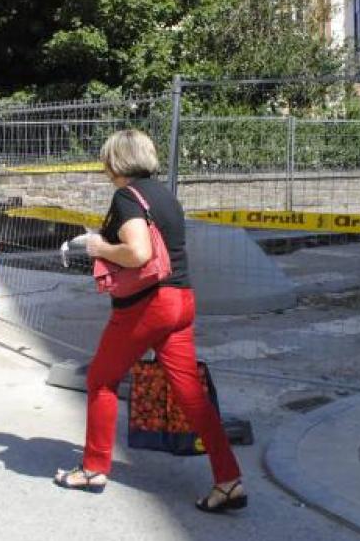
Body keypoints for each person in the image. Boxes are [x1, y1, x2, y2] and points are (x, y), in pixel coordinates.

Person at [53, 129, 245, 513]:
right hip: (181, 300)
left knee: (101, 380)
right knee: (191, 394)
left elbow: (138, 253)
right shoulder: (164, 196)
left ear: (116, 160)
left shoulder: (127, 197)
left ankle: (93, 468)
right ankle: (229, 480)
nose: (105, 166)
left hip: (146, 306)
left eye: (107, 158)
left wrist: (97, 246)